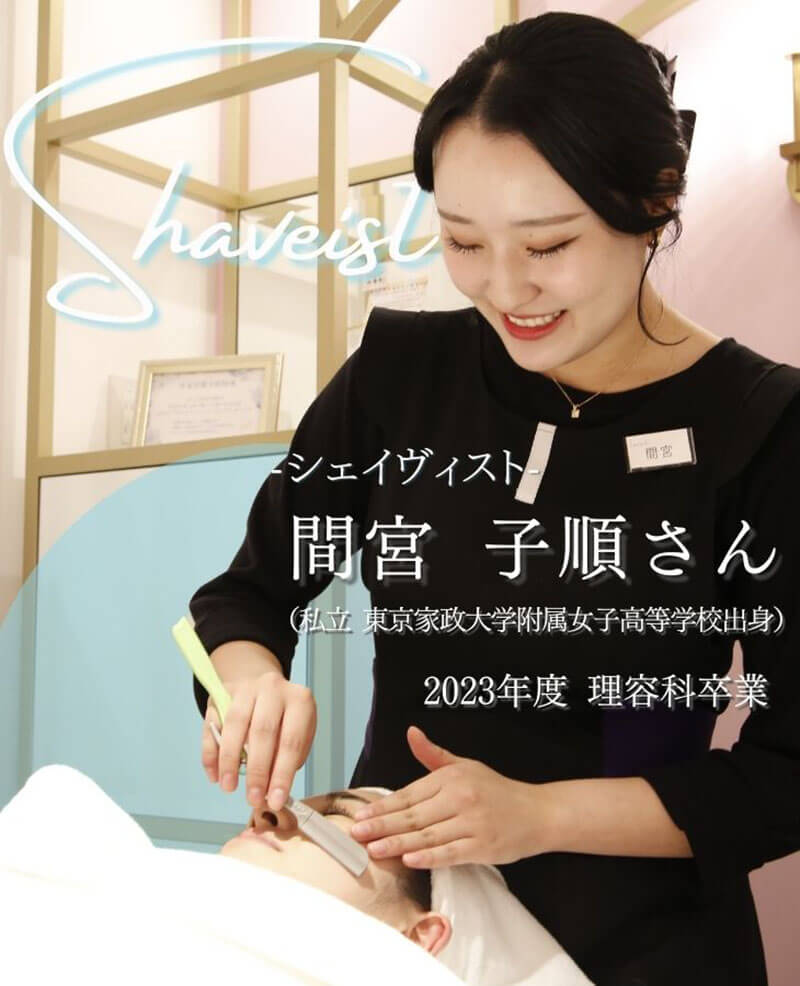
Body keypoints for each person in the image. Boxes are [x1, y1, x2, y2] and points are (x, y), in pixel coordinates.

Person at [189, 12, 800, 985]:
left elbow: (786, 772)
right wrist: (249, 683)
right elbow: (245, 595)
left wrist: (537, 812)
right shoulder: (397, 376)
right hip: (398, 936)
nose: (505, 288)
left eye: (547, 244)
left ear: (654, 199)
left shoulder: (760, 426)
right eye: (463, 241)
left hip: (635, 943)